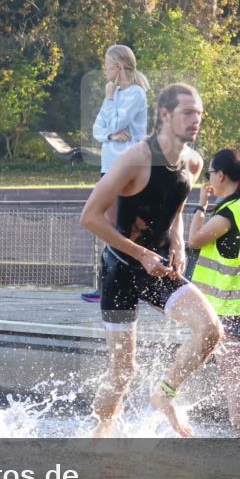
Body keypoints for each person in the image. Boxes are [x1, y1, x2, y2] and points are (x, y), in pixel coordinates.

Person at [80, 83, 222, 437]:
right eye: (188, 113)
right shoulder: (134, 159)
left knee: (210, 330)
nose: (196, 120)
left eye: (199, 114)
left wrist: (176, 237)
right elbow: (90, 217)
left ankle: (164, 394)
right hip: (121, 269)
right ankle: (99, 439)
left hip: (157, 267)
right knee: (122, 369)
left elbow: (173, 203)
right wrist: (141, 253)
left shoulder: (192, 162)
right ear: (164, 115)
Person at [188, 149, 240, 432]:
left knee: (232, 371)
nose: (208, 179)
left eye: (209, 173)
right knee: (231, 369)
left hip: (230, 303)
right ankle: (239, 428)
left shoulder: (229, 211)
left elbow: (193, 240)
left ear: (220, 175)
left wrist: (201, 205)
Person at [82, 45, 149, 303]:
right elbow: (98, 129)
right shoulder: (112, 95)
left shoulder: (134, 94)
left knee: (119, 226)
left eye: (108, 65)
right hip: (107, 169)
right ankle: (109, 282)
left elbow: (119, 122)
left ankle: (127, 281)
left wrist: (111, 108)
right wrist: (109, 135)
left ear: (118, 67)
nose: (105, 69)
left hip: (126, 170)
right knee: (106, 225)